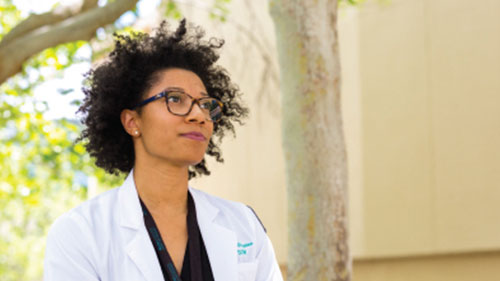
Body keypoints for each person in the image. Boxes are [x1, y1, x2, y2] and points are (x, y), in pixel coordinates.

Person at [43, 19, 283, 281]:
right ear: (132, 122)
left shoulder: (243, 224)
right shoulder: (81, 233)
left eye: (206, 104)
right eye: (175, 99)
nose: (199, 115)